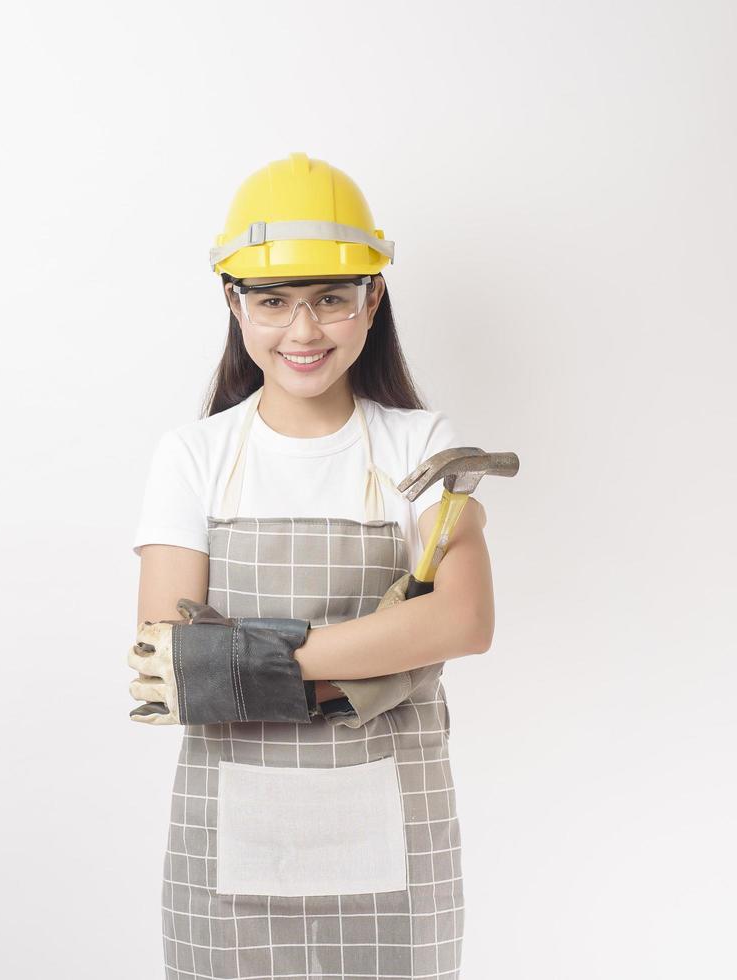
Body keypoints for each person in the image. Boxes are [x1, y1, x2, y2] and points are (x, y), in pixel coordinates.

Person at [128, 152, 494, 980]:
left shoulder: (422, 445)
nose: (304, 331)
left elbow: (464, 622)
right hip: (232, 838)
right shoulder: (194, 456)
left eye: (331, 297)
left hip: (396, 832)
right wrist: (385, 656)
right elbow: (169, 663)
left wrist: (255, 661)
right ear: (234, 303)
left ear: (374, 297)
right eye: (274, 301)